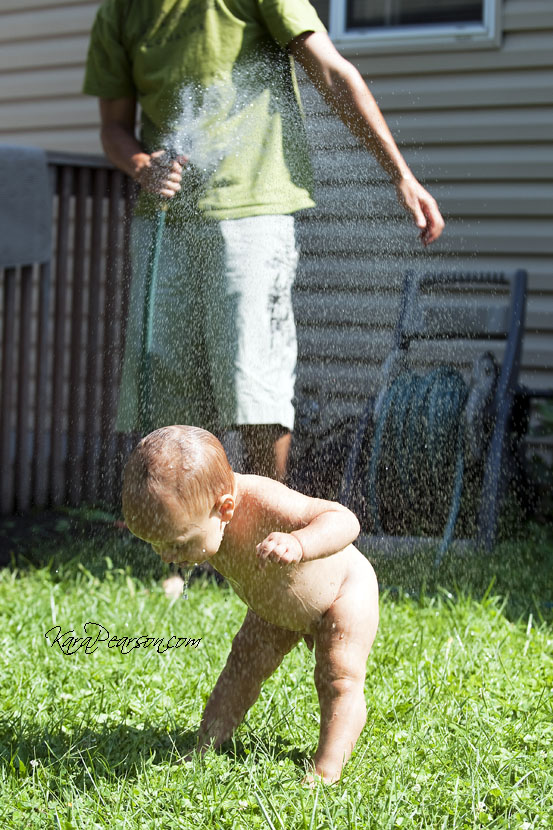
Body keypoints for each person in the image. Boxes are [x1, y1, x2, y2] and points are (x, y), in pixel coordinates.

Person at [83, 0, 445, 482]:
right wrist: (142, 165)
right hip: (165, 220)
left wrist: (400, 174)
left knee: (253, 383)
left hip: (251, 211)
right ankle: (191, 545)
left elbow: (331, 71)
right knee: (170, 395)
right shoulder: (119, 13)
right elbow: (113, 127)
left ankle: (266, 537)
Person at [122, 424, 379, 784]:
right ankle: (207, 743)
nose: (167, 557)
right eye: (156, 545)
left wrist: (300, 544)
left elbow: (345, 521)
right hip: (276, 605)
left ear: (223, 508)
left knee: (338, 676)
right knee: (242, 663)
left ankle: (327, 766)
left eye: (178, 544)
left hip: (342, 593)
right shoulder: (206, 518)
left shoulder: (261, 500)